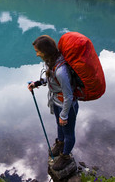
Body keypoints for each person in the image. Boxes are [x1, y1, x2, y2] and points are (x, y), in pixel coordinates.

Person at [28, 35, 79, 171]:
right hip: (57, 101)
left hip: (67, 106)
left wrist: (64, 115)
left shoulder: (61, 71)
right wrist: (37, 83)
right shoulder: (51, 61)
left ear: (45, 51)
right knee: (59, 125)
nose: (37, 53)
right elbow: (49, 76)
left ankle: (65, 156)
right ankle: (60, 143)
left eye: (38, 51)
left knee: (68, 132)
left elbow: (68, 95)